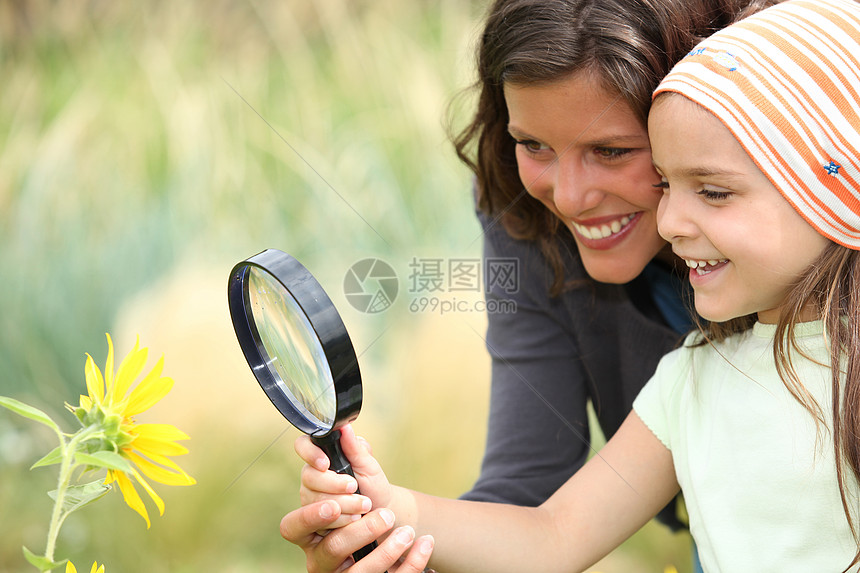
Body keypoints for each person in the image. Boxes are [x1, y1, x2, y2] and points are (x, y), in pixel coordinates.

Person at [295, 0, 860, 571]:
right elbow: (549, 530)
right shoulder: (690, 379)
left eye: (613, 151)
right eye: (533, 144)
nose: (567, 198)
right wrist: (390, 514)